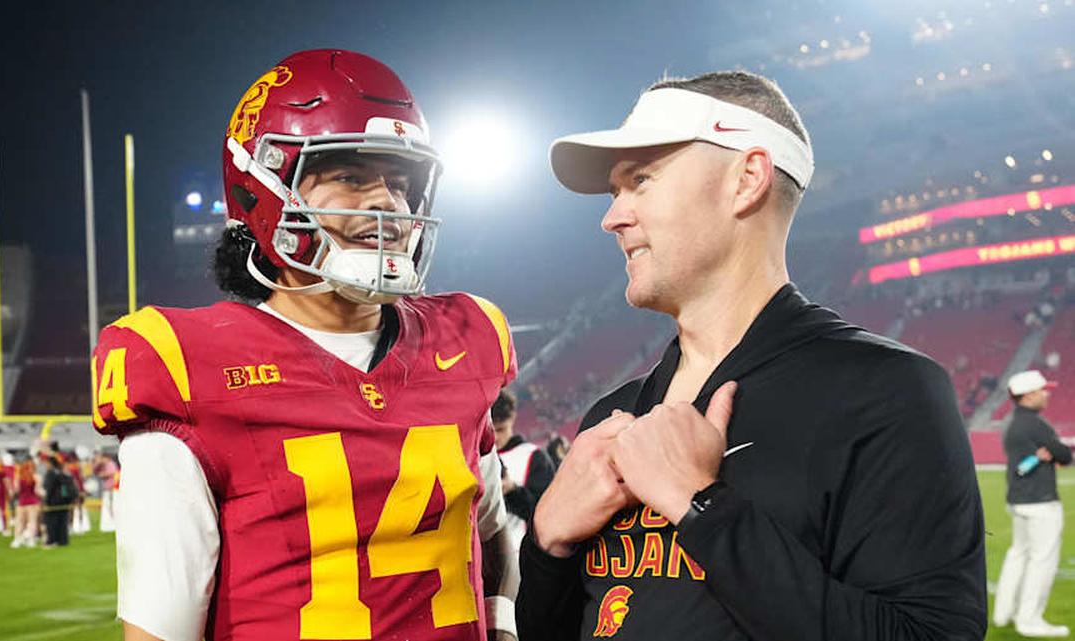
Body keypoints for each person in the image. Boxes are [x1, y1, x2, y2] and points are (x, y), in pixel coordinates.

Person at [517, 71, 987, 641]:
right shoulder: (611, 415)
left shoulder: (886, 392)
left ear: (747, 179)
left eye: (640, 179)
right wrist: (548, 544)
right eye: (615, 192)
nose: (612, 217)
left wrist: (703, 507)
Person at [92, 49, 519, 641]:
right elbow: (160, 627)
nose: (387, 205)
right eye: (349, 176)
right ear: (263, 188)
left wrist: (501, 627)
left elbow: (491, 531)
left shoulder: (467, 338)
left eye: (399, 183)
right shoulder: (190, 367)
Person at [992, 370, 1072, 637]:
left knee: (1018, 555)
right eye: (1042, 390)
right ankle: (1030, 620)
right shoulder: (1037, 425)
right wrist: (1055, 453)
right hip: (1040, 502)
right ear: (1028, 395)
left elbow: (1055, 454)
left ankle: (1003, 613)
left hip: (1019, 500)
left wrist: (1052, 453)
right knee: (1042, 561)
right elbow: (1064, 455)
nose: (1047, 394)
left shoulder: (1013, 424)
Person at [492, 389, 556, 551]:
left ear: (512, 418)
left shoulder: (533, 456)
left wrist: (512, 491)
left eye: (500, 429)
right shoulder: (473, 457)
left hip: (519, 556)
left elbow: (548, 513)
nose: (496, 438)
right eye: (491, 431)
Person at [11, 456, 42, 548]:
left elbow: (16, 490)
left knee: (20, 522)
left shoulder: (18, 477)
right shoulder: (36, 477)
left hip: (22, 502)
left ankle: (17, 540)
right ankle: (31, 540)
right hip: (33, 502)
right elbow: (37, 491)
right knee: (32, 522)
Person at [41, 455, 72, 547]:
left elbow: (49, 489)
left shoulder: (50, 473)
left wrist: (46, 501)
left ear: (50, 463)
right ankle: (63, 540)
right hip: (64, 501)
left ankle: (52, 541)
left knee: (51, 522)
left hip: (53, 502)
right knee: (63, 522)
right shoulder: (61, 472)